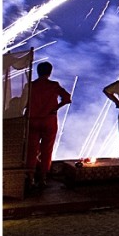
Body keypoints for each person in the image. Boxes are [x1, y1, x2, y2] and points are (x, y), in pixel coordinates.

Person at [23, 61, 71, 190]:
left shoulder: (30, 86)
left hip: (32, 120)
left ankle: (30, 177)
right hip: (49, 120)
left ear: (38, 71)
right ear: (50, 72)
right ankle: (43, 178)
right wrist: (55, 108)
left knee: (31, 150)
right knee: (47, 150)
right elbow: (67, 98)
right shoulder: (54, 85)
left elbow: (23, 103)